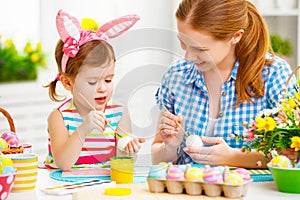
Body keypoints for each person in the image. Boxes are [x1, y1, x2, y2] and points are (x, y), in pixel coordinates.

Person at [152, 0, 295, 168]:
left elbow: (292, 154)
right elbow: (157, 156)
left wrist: (234, 157)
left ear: (235, 36)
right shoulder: (176, 75)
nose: (188, 57)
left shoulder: (272, 74)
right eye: (184, 44)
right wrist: (170, 147)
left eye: (200, 49)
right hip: (187, 192)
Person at [44, 10, 144, 170]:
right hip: (63, 188)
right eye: (92, 82)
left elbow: (122, 164)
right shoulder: (59, 117)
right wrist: (84, 129)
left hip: (101, 188)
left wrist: (129, 150)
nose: (102, 88)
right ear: (68, 83)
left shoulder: (119, 113)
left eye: (108, 79)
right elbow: (63, 163)